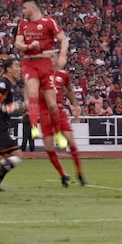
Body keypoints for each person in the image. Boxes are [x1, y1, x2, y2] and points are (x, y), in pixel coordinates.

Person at [14, 0, 70, 149]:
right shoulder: (23, 24)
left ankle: (58, 133)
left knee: (52, 105)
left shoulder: (48, 22)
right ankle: (33, 127)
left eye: (24, 8)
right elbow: (18, 43)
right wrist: (28, 47)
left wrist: (62, 57)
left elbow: (64, 39)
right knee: (32, 93)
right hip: (29, 63)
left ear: (32, 7)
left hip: (46, 64)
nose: (23, 11)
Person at [37, 53, 86, 186]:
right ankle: (63, 175)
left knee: (71, 140)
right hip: (45, 112)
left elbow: (69, 91)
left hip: (60, 111)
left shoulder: (63, 74)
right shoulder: (39, 76)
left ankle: (80, 173)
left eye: (53, 57)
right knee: (49, 147)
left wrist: (76, 105)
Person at [0, 58, 28, 191]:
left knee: (8, 158)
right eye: (16, 66)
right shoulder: (4, 83)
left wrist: (19, 106)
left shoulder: (10, 84)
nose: (19, 69)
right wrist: (5, 108)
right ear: (8, 69)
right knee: (18, 155)